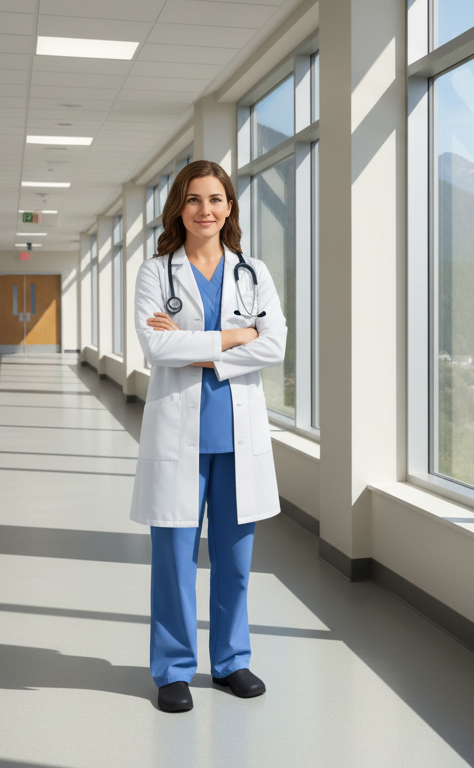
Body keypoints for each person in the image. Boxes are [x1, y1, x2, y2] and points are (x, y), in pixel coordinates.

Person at [130, 160, 286, 713]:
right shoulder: (156, 273)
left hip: (237, 437)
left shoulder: (252, 272)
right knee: (174, 559)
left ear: (229, 208)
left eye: (216, 199)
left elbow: (275, 345)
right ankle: (172, 669)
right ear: (179, 207)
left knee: (235, 560)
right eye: (194, 199)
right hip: (179, 436)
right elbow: (157, 348)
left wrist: (198, 346)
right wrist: (237, 337)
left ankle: (230, 662)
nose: (205, 210)